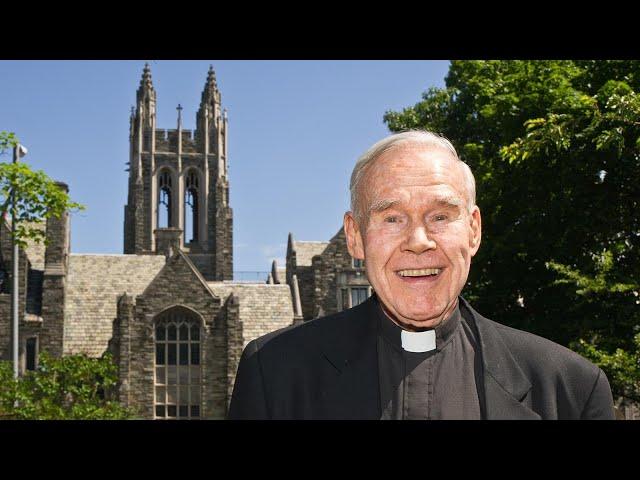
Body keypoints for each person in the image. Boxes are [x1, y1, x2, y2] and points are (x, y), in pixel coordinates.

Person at [227, 130, 615, 420]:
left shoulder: (570, 389)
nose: (418, 241)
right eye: (392, 218)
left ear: (474, 230)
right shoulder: (274, 373)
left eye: (441, 216)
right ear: (355, 237)